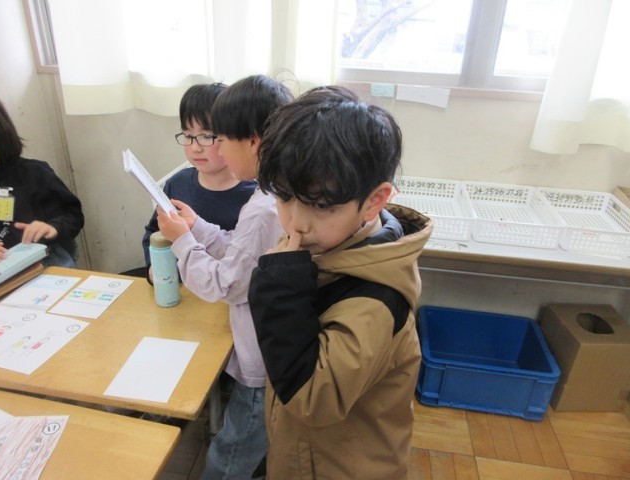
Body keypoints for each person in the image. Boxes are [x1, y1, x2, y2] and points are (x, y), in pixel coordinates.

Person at [247, 86, 434, 479]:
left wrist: (277, 292)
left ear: (374, 200)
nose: (296, 222)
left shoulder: (374, 301)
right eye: (284, 197)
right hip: (306, 455)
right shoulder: (332, 246)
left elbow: (312, 397)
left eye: (321, 206)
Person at [157, 74, 294, 480]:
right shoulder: (273, 193)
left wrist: (183, 241)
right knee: (243, 436)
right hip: (267, 346)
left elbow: (226, 284)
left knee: (230, 452)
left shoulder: (263, 208)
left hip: (261, 357)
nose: (211, 148)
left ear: (253, 142)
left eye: (219, 139)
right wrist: (198, 228)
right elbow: (241, 250)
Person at [142, 83, 256, 283]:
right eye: (188, 135)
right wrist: (154, 266)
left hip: (228, 291)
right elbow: (154, 233)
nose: (195, 147)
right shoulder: (177, 184)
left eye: (207, 136)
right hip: (179, 289)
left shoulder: (254, 197)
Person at [0, 93, 84, 267]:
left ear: (0, 134)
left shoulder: (33, 173)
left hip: (43, 266)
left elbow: (73, 216)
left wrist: (53, 227)